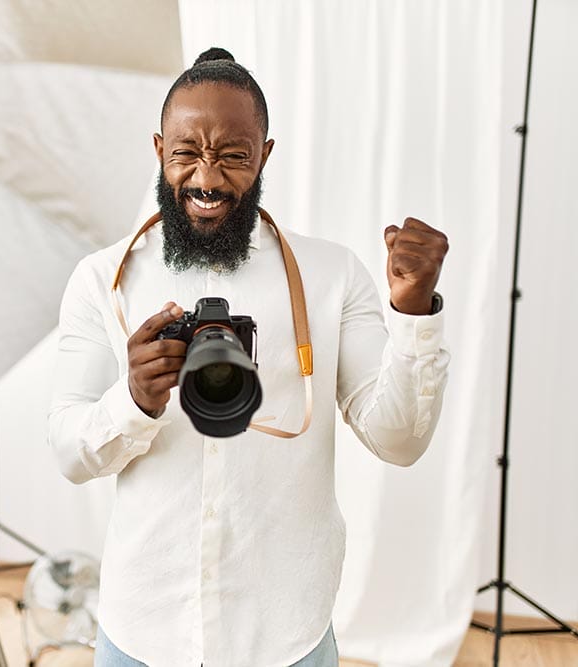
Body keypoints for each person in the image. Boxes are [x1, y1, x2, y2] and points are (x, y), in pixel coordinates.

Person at [47, 47, 450, 667]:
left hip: (285, 630)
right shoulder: (103, 278)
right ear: (159, 150)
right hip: (144, 628)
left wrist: (414, 314)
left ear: (264, 155)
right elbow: (69, 453)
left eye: (234, 155)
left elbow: (398, 441)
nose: (207, 178)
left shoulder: (331, 274)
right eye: (187, 152)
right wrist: (132, 399)